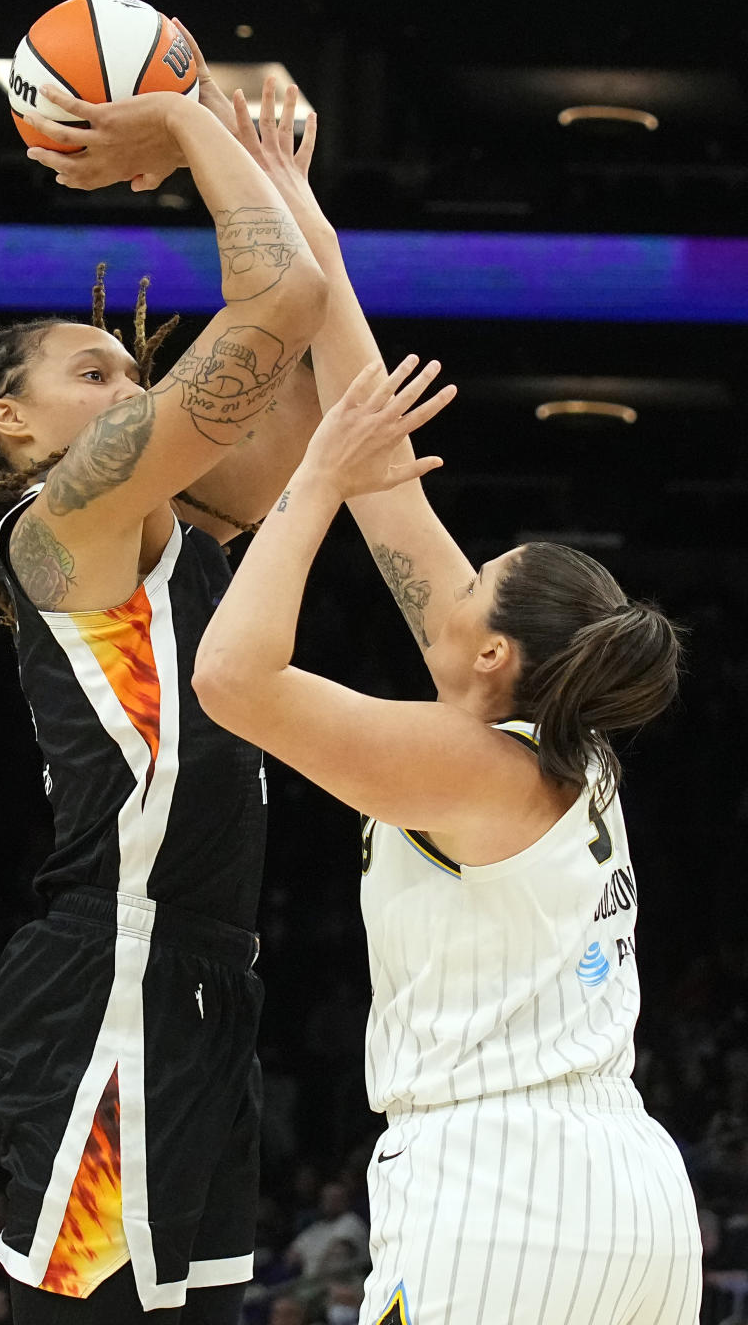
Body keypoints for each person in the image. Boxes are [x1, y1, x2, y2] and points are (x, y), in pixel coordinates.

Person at [191, 81, 702, 1322]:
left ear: (492, 658)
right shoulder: (553, 740)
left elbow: (231, 678)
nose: (450, 575)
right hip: (630, 1188)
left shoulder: (464, 767)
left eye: (475, 583)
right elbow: (390, 492)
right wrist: (310, 227)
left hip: (500, 1195)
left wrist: (307, 478)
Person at [0, 83, 327, 1324]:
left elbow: (302, 384)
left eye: (134, 368)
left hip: (210, 982)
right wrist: (183, 127)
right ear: (13, 425)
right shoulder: (58, 518)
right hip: (112, 978)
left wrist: (287, 191)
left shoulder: (196, 524)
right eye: (89, 367)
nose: (128, 382)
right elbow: (274, 310)